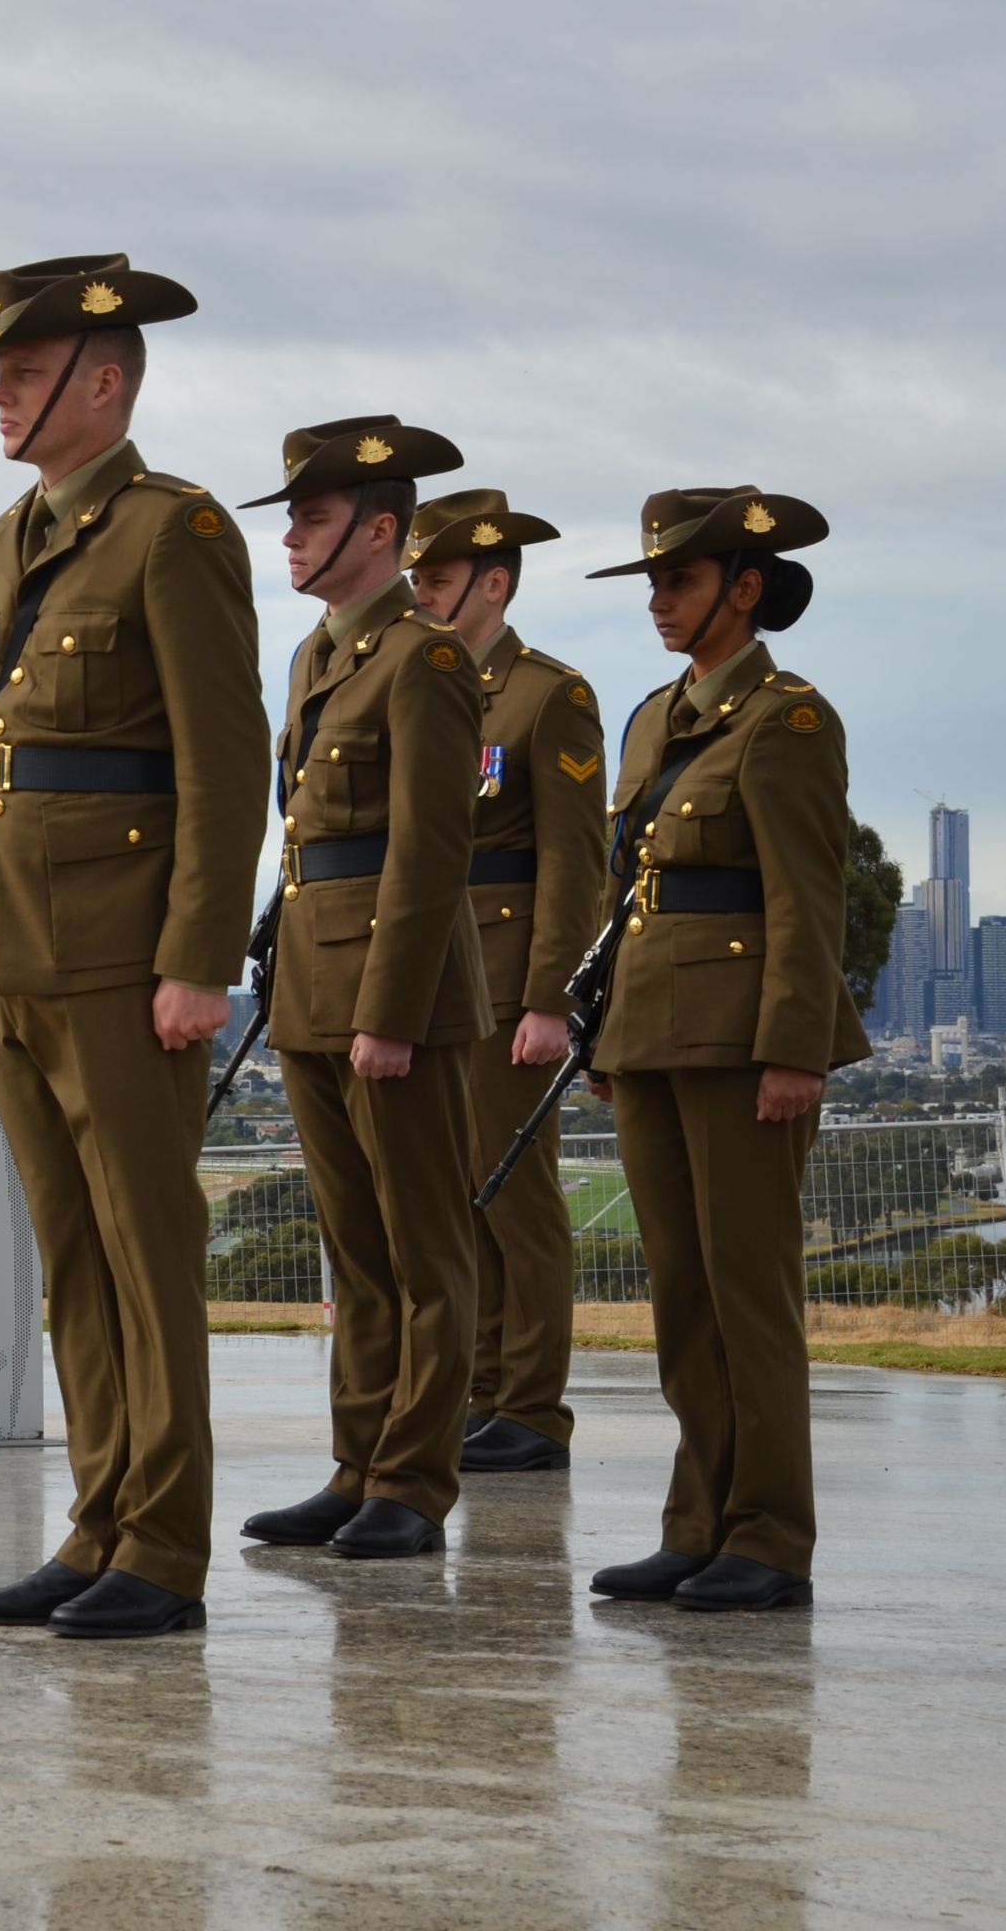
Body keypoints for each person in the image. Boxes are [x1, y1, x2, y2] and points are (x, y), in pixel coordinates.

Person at [0, 257, 265, 1640]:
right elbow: (3, 767)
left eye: (23, 368)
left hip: (128, 961)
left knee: (144, 1252)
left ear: (104, 379)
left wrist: (199, 957)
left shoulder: (172, 532)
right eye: (1, 371)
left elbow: (224, 755)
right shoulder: (7, 541)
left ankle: (163, 1552)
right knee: (71, 1261)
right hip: (13, 956)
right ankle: (96, 1522)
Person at [578, 489, 868, 1611]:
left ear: (743, 590)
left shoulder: (789, 721)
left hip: (745, 1043)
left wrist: (795, 1049)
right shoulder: (656, 718)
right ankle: (695, 1524)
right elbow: (626, 891)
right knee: (683, 1297)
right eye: (653, 583)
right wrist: (603, 1027)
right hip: (651, 1031)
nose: (659, 601)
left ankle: (771, 1536)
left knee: (749, 1295)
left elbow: (808, 899)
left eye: (681, 583)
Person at [236, 417, 491, 1560]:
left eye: (312, 518)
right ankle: (359, 1463)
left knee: (423, 1248)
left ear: (380, 529)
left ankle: (415, 1482)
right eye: (290, 517)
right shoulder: (318, 656)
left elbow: (430, 851)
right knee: (359, 1251)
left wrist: (385, 1012)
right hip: (311, 981)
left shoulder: (426, 657)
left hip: (392, 997)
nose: (289, 537)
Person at [402, 490, 610, 1474]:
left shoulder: (543, 694)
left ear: (493, 581)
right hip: (435, 970)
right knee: (454, 1193)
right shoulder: (418, 679)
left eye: (436, 578)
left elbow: (575, 862)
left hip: (506, 969)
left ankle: (531, 1406)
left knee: (512, 1193)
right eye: (414, 577)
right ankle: (480, 1391)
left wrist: (550, 1000)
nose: (419, 593)